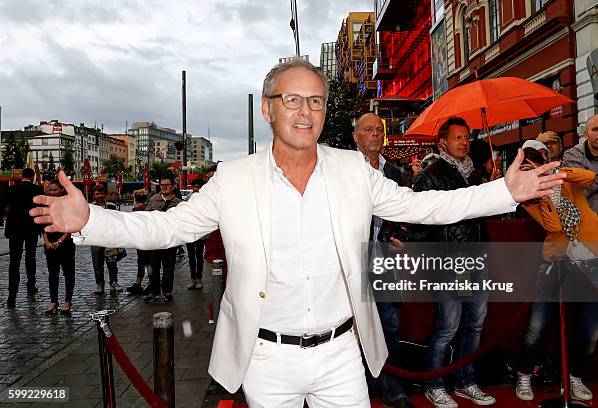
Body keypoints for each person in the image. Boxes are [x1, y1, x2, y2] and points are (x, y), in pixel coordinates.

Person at [31, 58, 565, 408]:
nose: (305, 112)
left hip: (342, 357)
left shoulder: (355, 169)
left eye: (316, 100)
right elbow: (169, 227)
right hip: (265, 360)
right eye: (292, 99)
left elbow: (423, 205)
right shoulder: (233, 178)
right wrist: (92, 220)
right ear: (269, 108)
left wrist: (504, 192)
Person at [515, 147, 598, 402]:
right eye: (524, 170)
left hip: (592, 256)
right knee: (537, 326)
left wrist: (556, 174)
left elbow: (589, 178)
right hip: (555, 261)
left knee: (590, 332)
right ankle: (524, 373)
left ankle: (575, 377)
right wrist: (544, 193)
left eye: (533, 167)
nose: (531, 173)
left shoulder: (564, 179)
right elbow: (554, 226)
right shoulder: (528, 198)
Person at [413, 117, 495, 408]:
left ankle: (466, 381)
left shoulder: (476, 175)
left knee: (475, 323)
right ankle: (433, 383)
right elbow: (419, 222)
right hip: (448, 261)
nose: (464, 142)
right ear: (442, 143)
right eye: (458, 137)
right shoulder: (430, 175)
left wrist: (493, 190)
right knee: (448, 325)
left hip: (477, 258)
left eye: (467, 137)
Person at [353, 112, 414, 408]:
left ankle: (393, 390)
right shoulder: (344, 171)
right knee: (351, 325)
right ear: (356, 136)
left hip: (383, 259)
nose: (375, 134)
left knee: (389, 323)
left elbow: (406, 212)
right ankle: (357, 388)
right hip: (351, 259)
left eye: (379, 129)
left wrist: (401, 235)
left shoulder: (395, 172)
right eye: (368, 130)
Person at [0, 168, 43, 308]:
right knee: (30, 257)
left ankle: (11, 296)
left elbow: (2, 206)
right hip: (31, 228)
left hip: (14, 229)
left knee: (14, 261)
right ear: (32, 177)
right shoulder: (37, 189)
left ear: (22, 176)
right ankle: (31, 285)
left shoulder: (11, 189)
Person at [563, 113, 598, 223]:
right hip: (588, 227)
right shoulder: (573, 157)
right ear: (586, 134)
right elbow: (579, 193)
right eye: (595, 129)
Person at [143, 172, 182, 303]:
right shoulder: (154, 199)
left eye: (167, 185)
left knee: (169, 268)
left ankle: (167, 291)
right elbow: (146, 217)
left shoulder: (179, 203)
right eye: (162, 185)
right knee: (153, 268)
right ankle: (154, 291)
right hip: (155, 240)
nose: (164, 187)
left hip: (170, 241)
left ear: (173, 186)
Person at [42, 179, 75, 316]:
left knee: (68, 273)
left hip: (65, 243)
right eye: (50, 190)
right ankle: (53, 301)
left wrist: (60, 241)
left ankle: (67, 301)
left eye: (55, 190)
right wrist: (46, 242)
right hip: (50, 245)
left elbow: (70, 226)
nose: (53, 192)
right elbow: (43, 226)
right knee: (53, 274)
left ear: (61, 190)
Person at [89, 184, 122, 294]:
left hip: (110, 239)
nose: (100, 195)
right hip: (96, 239)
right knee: (97, 263)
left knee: (112, 262)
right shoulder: (90, 207)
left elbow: (117, 220)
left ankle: (114, 282)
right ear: (93, 195)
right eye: (97, 193)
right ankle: (99, 284)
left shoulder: (111, 206)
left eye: (101, 193)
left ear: (105, 194)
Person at [126, 189, 150, 295]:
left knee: (142, 262)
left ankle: (139, 284)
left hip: (141, 240)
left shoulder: (137, 210)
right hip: (149, 239)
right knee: (147, 262)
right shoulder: (148, 209)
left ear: (135, 199)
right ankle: (140, 283)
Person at [186, 178, 205, 290]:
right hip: (189, 231)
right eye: (194, 187)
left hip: (200, 232)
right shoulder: (189, 198)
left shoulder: (205, 199)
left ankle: (199, 279)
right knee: (191, 256)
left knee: (199, 255)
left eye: (197, 187)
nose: (195, 189)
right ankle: (193, 278)